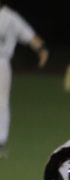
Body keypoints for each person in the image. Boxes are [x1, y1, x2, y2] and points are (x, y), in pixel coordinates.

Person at [0, 1, 48, 158]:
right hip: (2, 64)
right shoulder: (11, 17)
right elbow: (30, 37)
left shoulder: (11, 17)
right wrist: (42, 50)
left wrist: (41, 50)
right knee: (2, 101)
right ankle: (1, 139)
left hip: (2, 61)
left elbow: (30, 36)